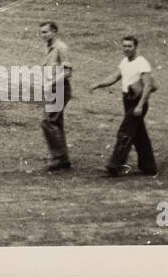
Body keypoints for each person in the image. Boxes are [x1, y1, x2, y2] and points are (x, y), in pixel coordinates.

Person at [89, 35, 158, 176]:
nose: (126, 49)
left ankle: (114, 165)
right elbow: (114, 77)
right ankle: (149, 167)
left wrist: (140, 106)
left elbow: (148, 85)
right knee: (139, 135)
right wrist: (99, 84)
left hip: (137, 101)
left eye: (129, 46)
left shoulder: (141, 62)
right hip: (127, 100)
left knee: (125, 132)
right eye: (124, 46)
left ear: (136, 47)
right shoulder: (124, 62)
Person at [39, 21, 73, 171]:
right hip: (52, 88)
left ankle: (59, 158)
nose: (43, 35)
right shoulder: (48, 47)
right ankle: (61, 158)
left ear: (54, 32)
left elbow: (67, 72)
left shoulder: (61, 48)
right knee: (56, 122)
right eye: (42, 32)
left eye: (46, 32)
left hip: (60, 88)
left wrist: (51, 83)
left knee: (48, 121)